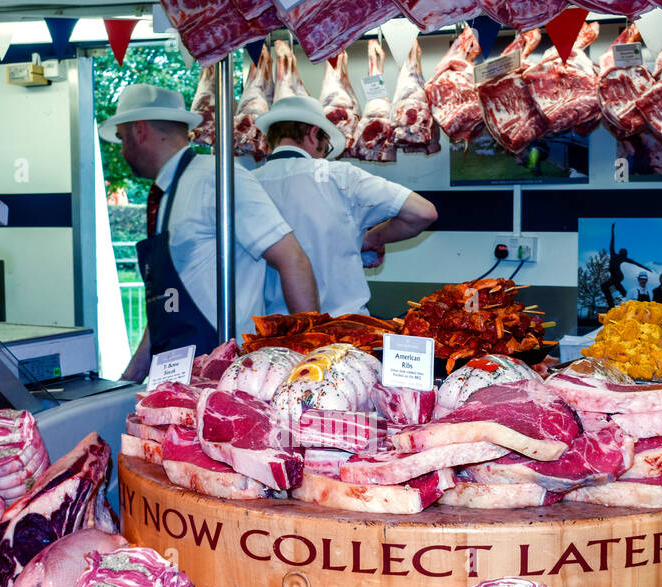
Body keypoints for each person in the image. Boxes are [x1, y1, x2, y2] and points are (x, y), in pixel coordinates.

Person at [100, 84, 319, 378]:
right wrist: (129, 378)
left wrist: (310, 359)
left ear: (139, 131)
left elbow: (293, 259)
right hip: (175, 378)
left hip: (224, 375)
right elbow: (165, 304)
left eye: (122, 139)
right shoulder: (163, 197)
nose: (123, 151)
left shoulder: (215, 178)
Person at [250, 96, 437, 316]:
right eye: (325, 147)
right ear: (312, 134)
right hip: (342, 329)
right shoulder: (338, 175)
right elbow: (423, 212)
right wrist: (373, 238)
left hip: (266, 336)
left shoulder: (246, 184)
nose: (323, 155)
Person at [598, 222, 652, 310]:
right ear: (622, 253)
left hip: (618, 276)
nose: (625, 255)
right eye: (624, 254)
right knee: (619, 288)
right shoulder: (616, 255)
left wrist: (647, 269)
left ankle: (612, 305)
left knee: (605, 286)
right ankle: (629, 302)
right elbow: (612, 242)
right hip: (616, 276)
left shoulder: (621, 257)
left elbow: (636, 263)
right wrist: (612, 230)